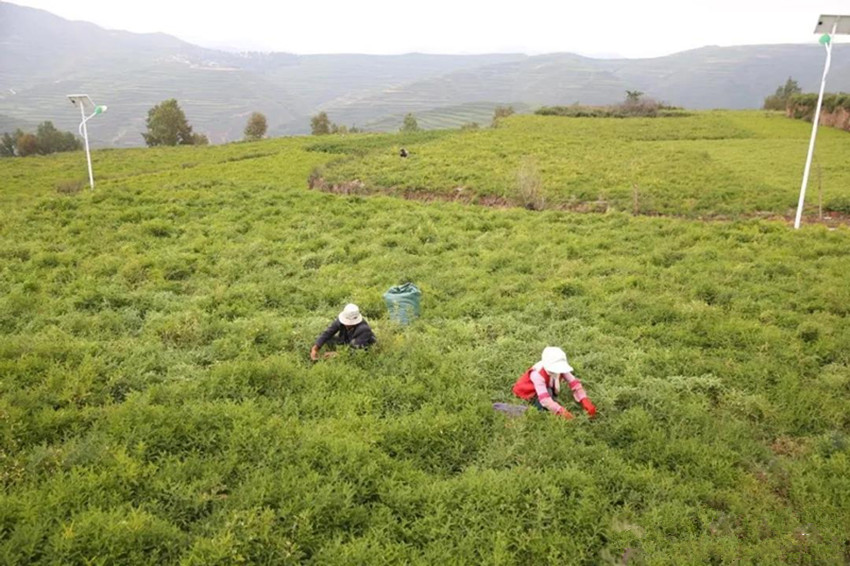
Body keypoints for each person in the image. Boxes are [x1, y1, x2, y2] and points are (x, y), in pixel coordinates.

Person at [512, 347, 596, 419]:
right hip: (528, 391)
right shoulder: (537, 375)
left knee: (550, 392)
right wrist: (560, 411)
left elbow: (574, 382)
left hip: (545, 386)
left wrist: (584, 399)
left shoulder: (560, 369)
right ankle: (535, 411)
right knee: (548, 393)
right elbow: (545, 400)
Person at [310, 303, 376, 361]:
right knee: (327, 339)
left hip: (361, 346)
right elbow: (328, 333)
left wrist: (337, 354)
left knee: (354, 355)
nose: (347, 324)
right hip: (346, 340)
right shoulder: (340, 321)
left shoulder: (364, 330)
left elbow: (355, 351)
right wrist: (315, 348)